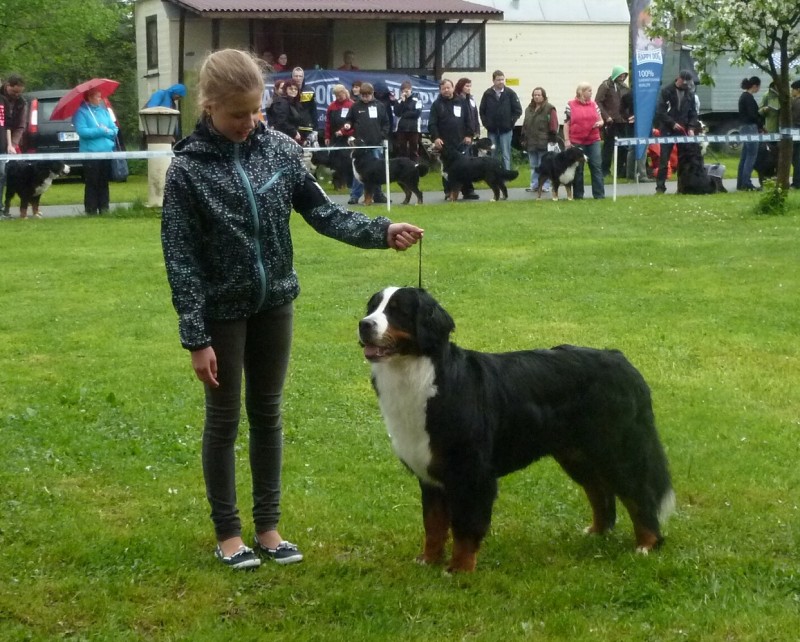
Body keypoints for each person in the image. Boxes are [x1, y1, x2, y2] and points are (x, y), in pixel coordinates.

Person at [161, 49, 423, 571]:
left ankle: (269, 528)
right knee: (223, 420)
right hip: (222, 314)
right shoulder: (187, 170)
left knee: (268, 414)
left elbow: (322, 213)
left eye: (255, 111)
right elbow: (181, 259)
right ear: (209, 106)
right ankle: (229, 534)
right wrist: (196, 337)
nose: (249, 123)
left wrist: (382, 231)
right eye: (237, 114)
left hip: (275, 303)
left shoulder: (280, 150)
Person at [342, 81, 390, 204]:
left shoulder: (380, 106)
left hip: (375, 144)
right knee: (359, 171)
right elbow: (349, 119)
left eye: (367, 95)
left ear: (372, 93)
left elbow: (386, 123)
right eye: (362, 95)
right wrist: (347, 124)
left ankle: (378, 195)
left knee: (377, 171)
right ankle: (355, 195)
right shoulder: (355, 106)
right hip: (360, 145)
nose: (365, 98)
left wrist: (382, 135)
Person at [73, 88, 118, 215]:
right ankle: (91, 209)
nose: (100, 99)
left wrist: (108, 131)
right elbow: (82, 132)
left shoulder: (105, 112)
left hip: (106, 152)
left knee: (104, 182)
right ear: (90, 97)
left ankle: (104, 208)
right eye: (98, 96)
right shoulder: (81, 113)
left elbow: (114, 129)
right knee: (92, 182)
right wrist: (100, 131)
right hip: (90, 153)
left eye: (100, 96)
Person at [654, 70, 699, 194]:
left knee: (683, 160)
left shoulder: (690, 93)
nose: (686, 86)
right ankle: (660, 187)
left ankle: (682, 187)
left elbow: (693, 113)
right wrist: (672, 123)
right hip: (668, 129)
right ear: (678, 79)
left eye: (688, 84)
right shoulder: (666, 91)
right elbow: (660, 111)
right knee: (664, 159)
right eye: (684, 83)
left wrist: (691, 127)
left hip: (683, 130)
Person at [428, 78, 474, 200]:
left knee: (466, 167)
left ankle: (468, 191)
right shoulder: (437, 105)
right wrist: (436, 138)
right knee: (447, 169)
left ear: (453, 88)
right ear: (440, 90)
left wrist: (469, 134)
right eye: (444, 88)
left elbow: (469, 119)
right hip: (445, 143)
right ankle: (448, 191)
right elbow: (432, 124)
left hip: (461, 141)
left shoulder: (462, 102)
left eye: (448, 87)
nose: (446, 90)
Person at [563, 82, 605, 200]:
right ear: (582, 92)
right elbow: (566, 123)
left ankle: (599, 195)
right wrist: (567, 140)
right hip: (576, 140)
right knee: (578, 168)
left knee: (596, 166)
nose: (591, 93)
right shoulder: (570, 105)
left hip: (593, 139)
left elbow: (601, 120)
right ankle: (578, 195)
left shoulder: (594, 104)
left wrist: (600, 123)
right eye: (589, 91)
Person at [324, 84, 360, 204]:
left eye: (340, 94)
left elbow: (355, 123)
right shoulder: (332, 107)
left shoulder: (352, 105)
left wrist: (345, 132)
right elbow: (328, 123)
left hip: (348, 137)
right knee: (336, 161)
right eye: (336, 95)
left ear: (345, 93)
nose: (339, 97)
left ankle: (349, 183)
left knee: (348, 161)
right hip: (336, 138)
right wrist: (327, 136)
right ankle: (339, 184)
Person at [478, 70, 522, 171]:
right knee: (492, 153)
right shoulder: (487, 94)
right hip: (492, 130)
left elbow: (518, 110)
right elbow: (482, 111)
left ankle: (506, 174)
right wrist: (486, 124)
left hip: (506, 130)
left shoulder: (510, 93)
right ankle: (492, 175)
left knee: (506, 154)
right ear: (493, 81)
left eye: (502, 79)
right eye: (498, 80)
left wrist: (511, 122)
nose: (501, 82)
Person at [520, 86, 558, 193]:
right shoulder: (528, 109)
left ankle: (545, 185)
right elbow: (525, 124)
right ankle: (534, 185)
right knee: (533, 165)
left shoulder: (550, 108)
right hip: (531, 142)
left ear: (543, 96)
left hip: (544, 142)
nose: (536, 97)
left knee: (544, 165)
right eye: (535, 95)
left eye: (539, 95)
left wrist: (552, 139)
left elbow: (553, 124)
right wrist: (523, 137)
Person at [596, 65, 630, 178]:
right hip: (611, 121)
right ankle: (605, 170)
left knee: (623, 147)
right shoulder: (605, 86)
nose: (622, 77)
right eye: (620, 75)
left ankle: (620, 171)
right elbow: (598, 102)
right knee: (608, 147)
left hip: (623, 121)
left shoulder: (625, 87)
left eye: (624, 75)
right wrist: (606, 116)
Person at [0, 74, 27, 204]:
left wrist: (13, 144)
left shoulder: (21, 102)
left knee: (8, 175)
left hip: (10, 140)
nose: (16, 95)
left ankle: (5, 206)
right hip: (3, 137)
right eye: (14, 91)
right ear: (7, 85)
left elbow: (19, 126)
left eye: (19, 92)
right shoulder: (2, 97)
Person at [453, 77, 480, 199]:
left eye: (470, 86)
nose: (468, 88)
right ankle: (462, 189)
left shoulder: (471, 99)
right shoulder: (457, 99)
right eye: (466, 86)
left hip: (471, 134)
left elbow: (474, 115)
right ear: (461, 86)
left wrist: (476, 131)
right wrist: (466, 134)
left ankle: (468, 189)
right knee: (462, 164)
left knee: (470, 162)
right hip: (461, 135)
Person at [737, 76, 764, 192]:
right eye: (758, 87)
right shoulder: (749, 98)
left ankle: (741, 182)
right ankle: (746, 182)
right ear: (755, 86)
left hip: (743, 127)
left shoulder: (743, 97)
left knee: (744, 156)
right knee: (751, 156)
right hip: (750, 127)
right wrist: (761, 125)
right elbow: (752, 115)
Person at [394, 80, 422, 162]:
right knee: (402, 149)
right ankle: (403, 166)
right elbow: (397, 113)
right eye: (403, 91)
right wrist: (403, 102)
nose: (405, 92)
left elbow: (417, 113)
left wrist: (405, 113)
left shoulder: (417, 99)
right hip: (401, 128)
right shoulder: (399, 100)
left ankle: (415, 165)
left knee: (413, 149)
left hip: (414, 128)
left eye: (407, 90)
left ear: (411, 89)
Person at [291, 67, 318, 144]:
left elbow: (314, 111)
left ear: (303, 77)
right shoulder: (288, 90)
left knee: (307, 154)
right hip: (293, 128)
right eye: (296, 76)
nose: (298, 78)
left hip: (307, 127)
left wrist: (315, 129)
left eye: (300, 76)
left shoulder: (309, 91)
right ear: (292, 77)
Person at [791, 79, 800, 189]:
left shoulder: (796, 102)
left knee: (797, 159)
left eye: (793, 89)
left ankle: (797, 182)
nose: (791, 91)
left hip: (796, 130)